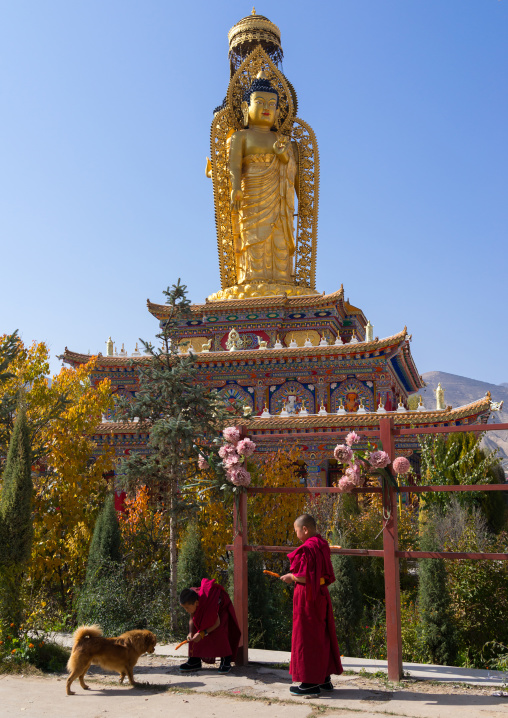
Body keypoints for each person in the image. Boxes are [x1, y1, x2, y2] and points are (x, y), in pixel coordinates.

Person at [229, 72, 297, 286]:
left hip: (277, 197)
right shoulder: (240, 136)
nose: (266, 107)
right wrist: (234, 187)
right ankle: (252, 279)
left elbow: (290, 167)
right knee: (254, 238)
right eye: (259, 102)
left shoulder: (280, 139)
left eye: (271, 104)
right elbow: (234, 165)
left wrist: (282, 155)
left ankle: (281, 279)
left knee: (279, 238)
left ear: (278, 111)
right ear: (245, 108)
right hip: (251, 194)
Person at [281, 514, 343, 697]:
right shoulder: (322, 544)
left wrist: (291, 577)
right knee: (321, 635)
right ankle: (324, 679)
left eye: (296, 530)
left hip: (308, 596)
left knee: (306, 638)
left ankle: (309, 683)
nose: (296, 534)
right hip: (321, 594)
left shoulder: (308, 548)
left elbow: (306, 576)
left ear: (305, 529)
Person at [179, 578, 241, 674]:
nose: (186, 610)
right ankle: (194, 660)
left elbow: (217, 623)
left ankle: (226, 660)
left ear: (196, 603)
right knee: (196, 627)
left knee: (219, 631)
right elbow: (192, 616)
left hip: (221, 608)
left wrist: (203, 633)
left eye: (187, 607)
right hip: (210, 607)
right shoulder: (193, 599)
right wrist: (191, 632)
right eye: (184, 608)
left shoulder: (207, 604)